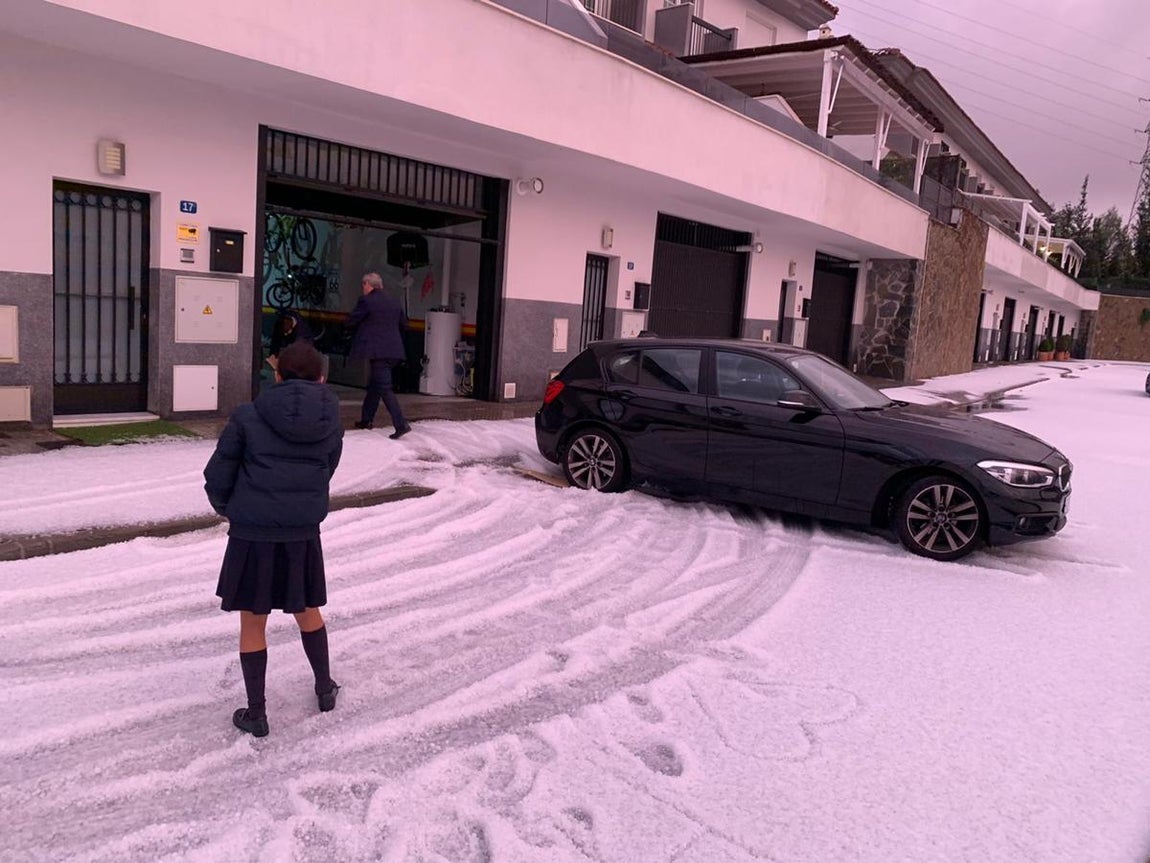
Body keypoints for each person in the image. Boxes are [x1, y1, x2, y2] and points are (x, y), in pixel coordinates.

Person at [204, 341, 344, 738]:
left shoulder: (247, 416)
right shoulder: (331, 421)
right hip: (302, 533)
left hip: (252, 533)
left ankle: (257, 713)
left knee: (253, 621)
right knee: (308, 610)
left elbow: (218, 473)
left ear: (277, 376)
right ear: (321, 379)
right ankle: (324, 689)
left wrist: (230, 508)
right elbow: (327, 468)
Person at [346, 272, 412, 439]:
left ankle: (401, 424)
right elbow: (404, 324)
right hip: (394, 351)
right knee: (375, 386)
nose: (362, 288)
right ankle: (366, 419)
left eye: (363, 285)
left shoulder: (366, 301)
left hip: (378, 352)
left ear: (368, 284)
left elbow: (353, 320)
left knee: (384, 388)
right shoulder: (394, 301)